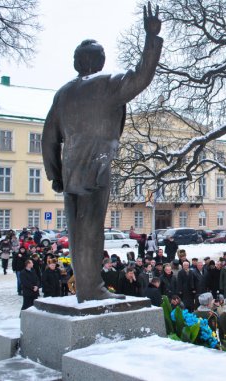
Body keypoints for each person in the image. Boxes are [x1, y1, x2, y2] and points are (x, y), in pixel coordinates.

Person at [41, 3, 163, 303]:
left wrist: (56, 176)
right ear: (100, 61)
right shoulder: (107, 85)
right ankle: (92, 288)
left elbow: (48, 139)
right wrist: (151, 39)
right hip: (96, 167)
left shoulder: (63, 93)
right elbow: (142, 77)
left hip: (69, 171)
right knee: (92, 230)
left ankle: (86, 287)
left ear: (76, 63)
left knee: (77, 231)